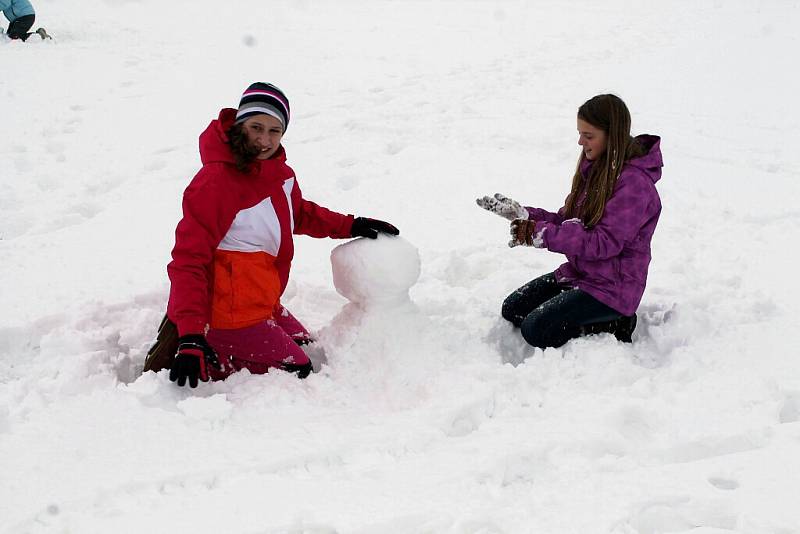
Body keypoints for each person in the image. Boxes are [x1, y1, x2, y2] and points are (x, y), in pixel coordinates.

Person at [166, 82, 399, 388]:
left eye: (274, 130)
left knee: (307, 348)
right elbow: (188, 260)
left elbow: (298, 213)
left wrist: (351, 225)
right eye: (255, 127)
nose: (264, 139)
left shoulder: (279, 173)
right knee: (298, 370)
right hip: (227, 313)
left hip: (262, 299)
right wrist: (191, 336)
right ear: (239, 124)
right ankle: (214, 353)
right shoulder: (215, 182)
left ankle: (242, 336)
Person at [477, 94, 662, 350]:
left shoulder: (634, 186)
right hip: (582, 275)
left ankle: (619, 322)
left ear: (613, 135)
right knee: (514, 310)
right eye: (580, 133)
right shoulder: (597, 169)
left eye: (588, 135)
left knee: (537, 330)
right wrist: (525, 216)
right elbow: (569, 221)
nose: (580, 142)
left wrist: (538, 234)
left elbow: (603, 243)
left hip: (613, 289)